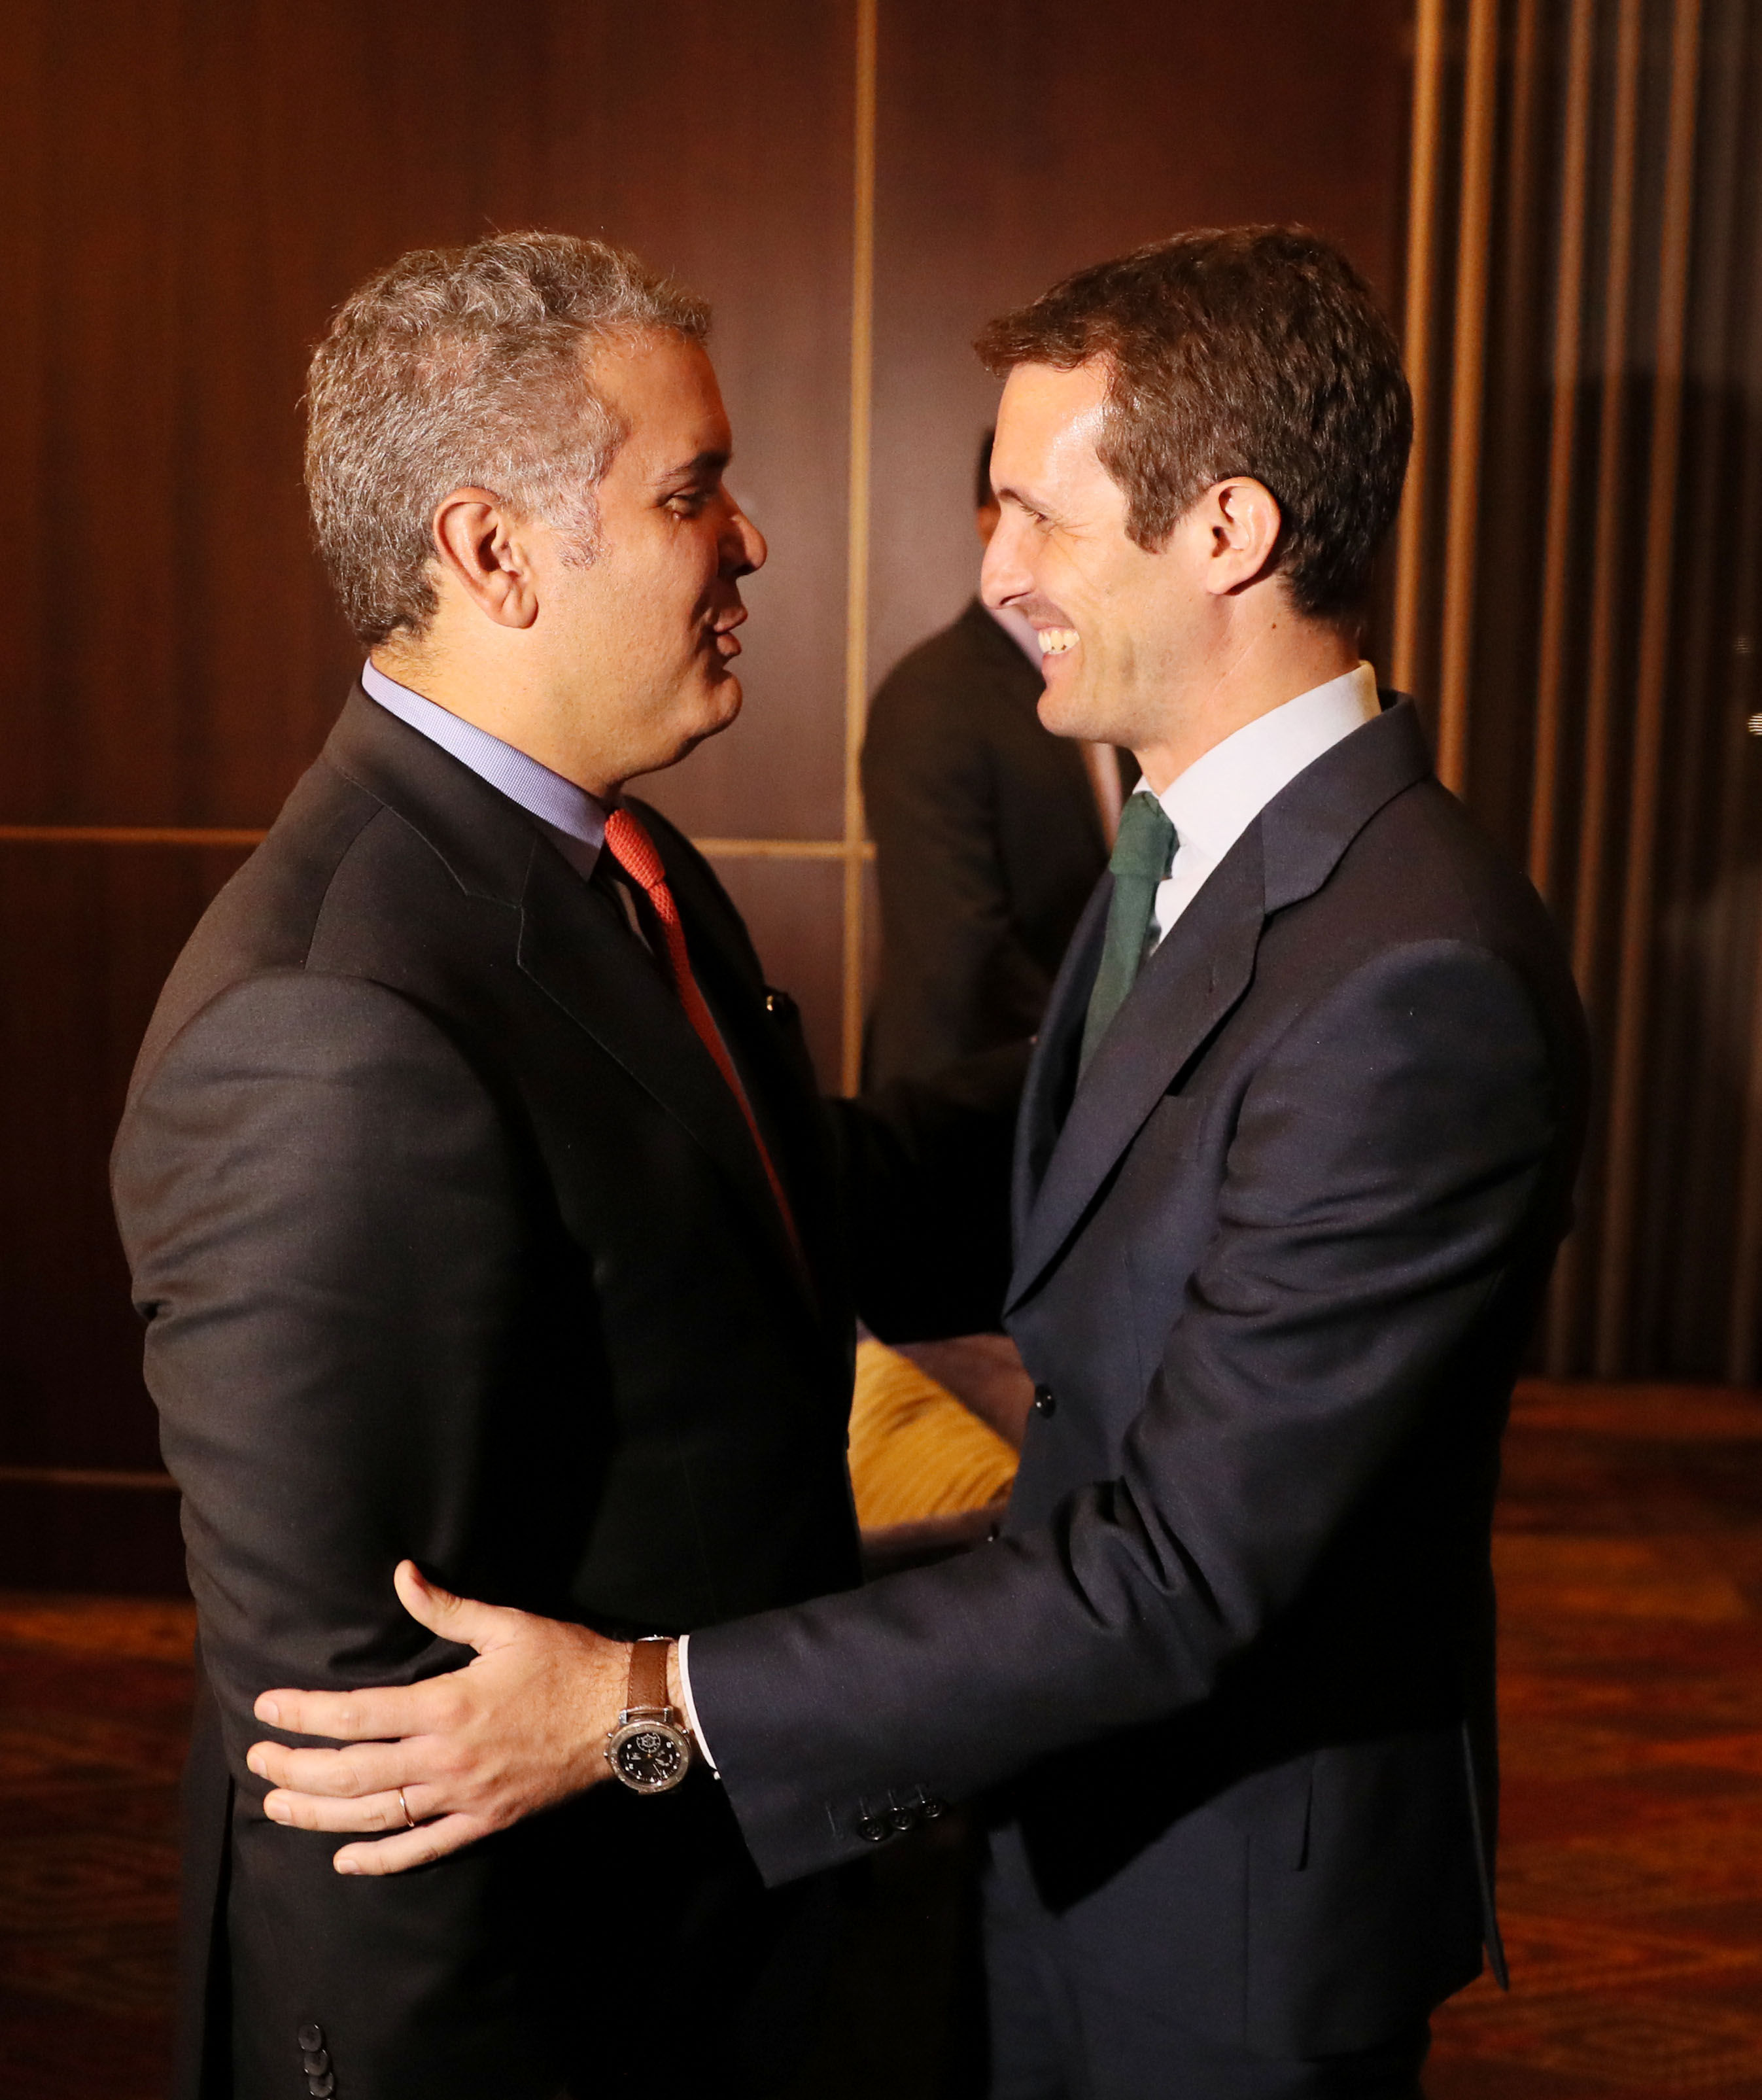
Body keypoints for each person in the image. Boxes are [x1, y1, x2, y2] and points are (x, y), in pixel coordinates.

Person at [246, 228, 1589, 2100]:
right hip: (1067, 1827)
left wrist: (637, 1708)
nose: (992, 572)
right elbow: (999, 1169)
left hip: (1224, 1910)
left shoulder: (1416, 975)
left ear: (1223, 531)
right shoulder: (1222, 872)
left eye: (1035, 514)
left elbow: (1174, 1574)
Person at [112, 232, 1014, 2100]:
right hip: (542, 2006)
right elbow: (358, 1762)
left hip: (719, 1928)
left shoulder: (623, 864)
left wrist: (1151, 1076)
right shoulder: (326, 1026)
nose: (749, 540)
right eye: (692, 490)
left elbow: (777, 1214)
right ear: (491, 552)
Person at [862, 431, 1130, 1092]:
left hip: (1072, 1088)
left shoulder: (1114, 675)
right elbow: (962, 947)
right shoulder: (930, 695)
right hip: (963, 1099)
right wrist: (1104, 1053)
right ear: (990, 525)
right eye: (1042, 515)